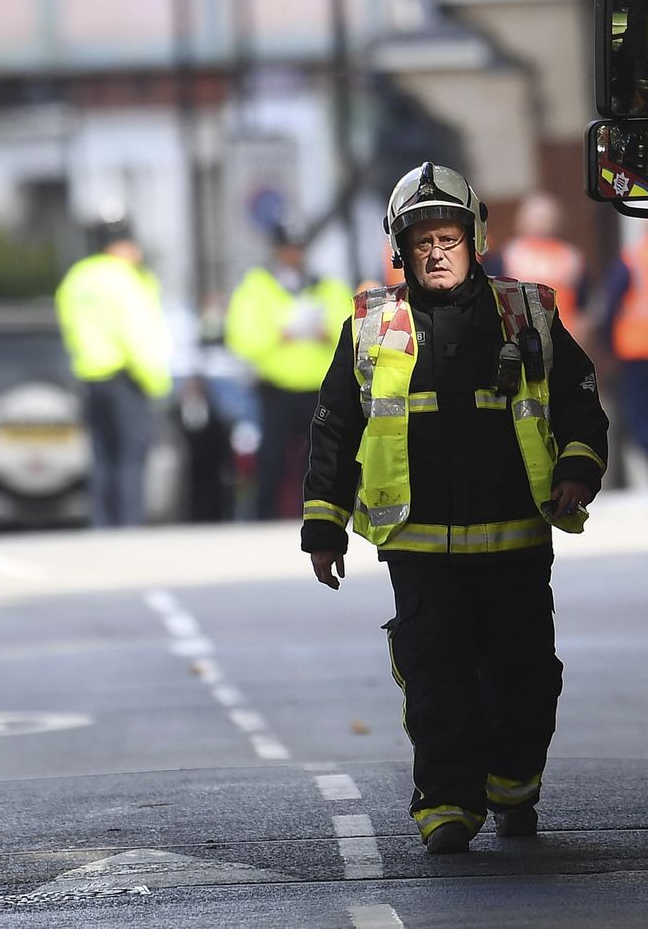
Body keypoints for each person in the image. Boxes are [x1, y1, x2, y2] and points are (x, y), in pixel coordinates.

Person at [300, 161, 609, 853]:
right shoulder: (371, 326)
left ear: (476, 241)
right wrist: (323, 526)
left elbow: (580, 400)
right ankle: (446, 804)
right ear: (400, 249)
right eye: (422, 242)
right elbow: (334, 427)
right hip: (418, 545)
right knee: (435, 680)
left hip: (515, 541)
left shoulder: (527, 314)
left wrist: (577, 468)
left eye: (448, 239)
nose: (436, 254)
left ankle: (513, 785)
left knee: (526, 678)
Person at [224, 224, 351, 520]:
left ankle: (322, 515)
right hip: (276, 386)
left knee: (322, 458)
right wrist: (280, 333)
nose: (294, 255)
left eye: (298, 248)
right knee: (271, 457)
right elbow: (240, 336)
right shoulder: (258, 286)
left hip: (318, 387)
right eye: (288, 249)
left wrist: (325, 331)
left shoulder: (326, 285)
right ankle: (264, 518)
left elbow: (349, 326)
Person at [54, 219, 172, 527]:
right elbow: (135, 334)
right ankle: (128, 527)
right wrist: (156, 382)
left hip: (89, 377)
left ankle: (102, 526)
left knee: (101, 458)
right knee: (131, 458)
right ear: (121, 245)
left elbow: (68, 325)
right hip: (126, 377)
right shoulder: (125, 278)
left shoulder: (78, 277)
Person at [598, 222, 648, 479]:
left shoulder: (632, 259)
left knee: (643, 420)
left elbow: (610, 308)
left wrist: (608, 349)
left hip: (639, 355)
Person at [498, 191, 590, 336]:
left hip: (563, 332)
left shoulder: (571, 256)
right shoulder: (510, 254)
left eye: (545, 218)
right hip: (521, 332)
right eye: (536, 218)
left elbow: (583, 301)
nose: (541, 223)